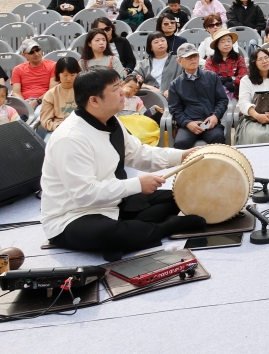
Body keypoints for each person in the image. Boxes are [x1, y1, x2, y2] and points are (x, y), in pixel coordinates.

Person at [40, 67, 205, 260]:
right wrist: (137, 184)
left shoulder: (112, 122)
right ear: (94, 100)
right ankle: (164, 228)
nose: (122, 91)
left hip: (112, 202)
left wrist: (182, 156)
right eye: (115, 88)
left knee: (177, 197)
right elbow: (84, 195)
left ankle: (132, 235)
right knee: (110, 233)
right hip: (73, 216)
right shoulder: (69, 138)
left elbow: (140, 154)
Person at [167, 43, 228, 148]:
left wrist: (215, 116)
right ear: (180, 61)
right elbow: (175, 109)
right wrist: (187, 123)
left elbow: (222, 100)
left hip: (210, 123)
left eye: (195, 56)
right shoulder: (175, 84)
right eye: (189, 57)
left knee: (217, 139)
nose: (193, 59)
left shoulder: (211, 76)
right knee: (181, 143)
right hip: (188, 125)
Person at [38, 56, 82, 134]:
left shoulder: (86, 91)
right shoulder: (51, 94)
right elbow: (45, 120)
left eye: (72, 75)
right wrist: (57, 126)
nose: (69, 79)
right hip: (58, 128)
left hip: (81, 127)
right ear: (58, 74)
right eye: (65, 75)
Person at [204, 28, 247, 101]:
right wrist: (223, 81)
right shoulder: (210, 60)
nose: (227, 44)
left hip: (236, 93)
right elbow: (209, 78)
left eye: (229, 41)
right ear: (217, 45)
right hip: (216, 95)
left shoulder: (238, 58)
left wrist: (231, 80)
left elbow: (243, 76)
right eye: (223, 41)